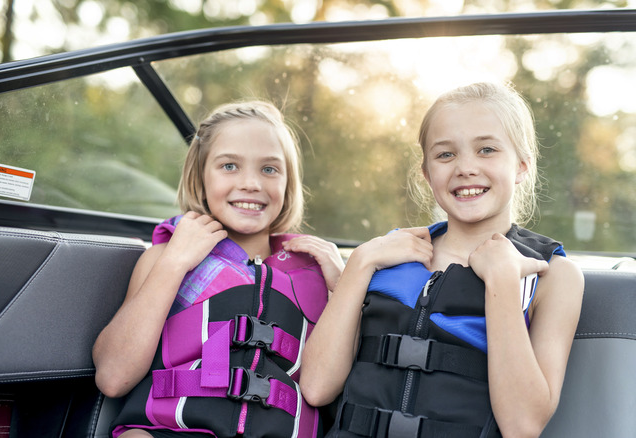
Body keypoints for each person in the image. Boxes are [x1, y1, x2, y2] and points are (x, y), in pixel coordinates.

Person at [300, 82, 584, 438]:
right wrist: (359, 264)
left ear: (522, 165)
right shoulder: (386, 256)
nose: (465, 167)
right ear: (426, 173)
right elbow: (315, 387)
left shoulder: (552, 275)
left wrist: (502, 283)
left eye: (487, 150)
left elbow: (522, 425)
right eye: (445, 155)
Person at [92, 101, 344, 438]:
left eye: (270, 169)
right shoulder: (165, 258)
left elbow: (326, 390)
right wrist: (174, 263)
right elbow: (112, 377)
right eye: (229, 166)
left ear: (288, 182)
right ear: (200, 175)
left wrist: (343, 290)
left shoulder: (314, 272)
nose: (251, 183)